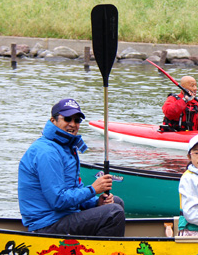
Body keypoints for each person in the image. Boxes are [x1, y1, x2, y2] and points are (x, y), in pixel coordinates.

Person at [18, 98, 125, 237]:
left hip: (64, 216)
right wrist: (93, 189)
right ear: (53, 120)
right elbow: (58, 201)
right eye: (67, 119)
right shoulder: (47, 152)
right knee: (113, 213)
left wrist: (96, 202)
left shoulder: (66, 147)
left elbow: (75, 190)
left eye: (77, 120)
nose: (72, 124)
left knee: (115, 202)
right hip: (46, 225)